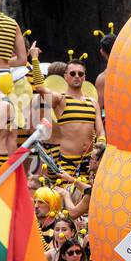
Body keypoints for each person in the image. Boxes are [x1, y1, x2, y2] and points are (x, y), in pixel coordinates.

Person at [32, 49, 104, 180]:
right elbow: (40, 88)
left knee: (88, 197)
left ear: (84, 77)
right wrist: (34, 59)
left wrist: (100, 146)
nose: (77, 76)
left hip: (90, 162)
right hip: (68, 162)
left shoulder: (93, 102)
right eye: (73, 73)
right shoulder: (60, 99)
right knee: (67, 196)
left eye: (80, 73)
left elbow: (100, 130)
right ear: (65, 77)